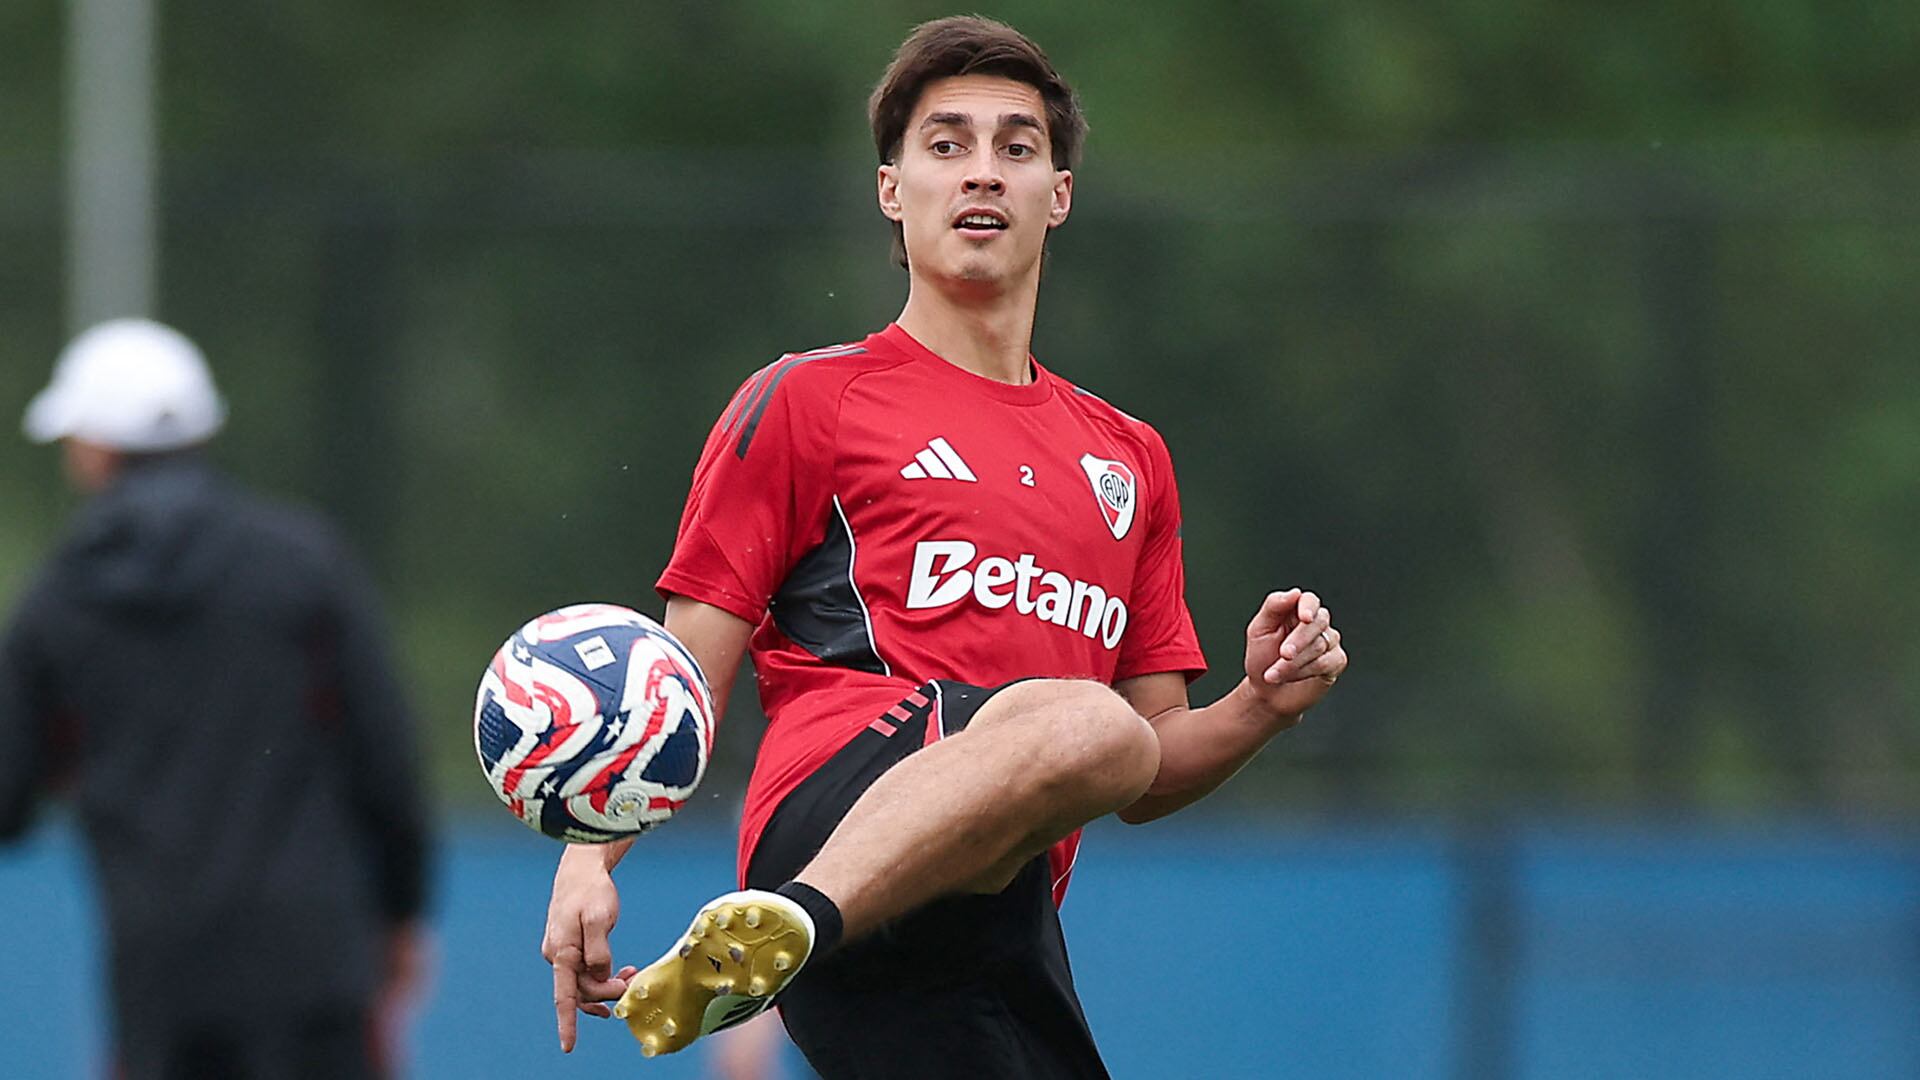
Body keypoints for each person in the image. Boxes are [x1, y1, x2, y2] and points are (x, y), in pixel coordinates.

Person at [542, 15, 1348, 1078]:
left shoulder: (1130, 458)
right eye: (946, 143)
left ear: (1059, 195)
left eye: (1017, 147)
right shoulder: (809, 399)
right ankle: (785, 930)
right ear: (893, 188)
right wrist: (590, 860)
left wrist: (1260, 705)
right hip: (832, 820)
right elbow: (682, 674)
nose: (983, 171)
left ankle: (782, 941)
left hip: (997, 907)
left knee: (1104, 734)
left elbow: (1146, 768)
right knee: (1087, 719)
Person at [0, 319, 433, 1079]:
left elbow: (9, 795)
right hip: (315, 964)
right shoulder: (303, 562)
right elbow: (385, 760)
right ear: (201, 431)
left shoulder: (58, 603)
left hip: (163, 983)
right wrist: (402, 913)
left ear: (95, 447)